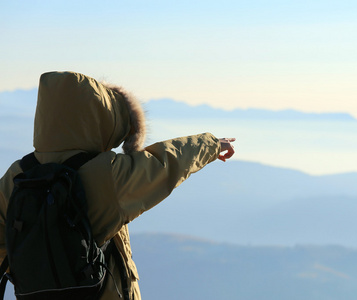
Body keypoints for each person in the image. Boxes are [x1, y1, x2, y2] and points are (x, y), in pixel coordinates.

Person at [0, 71, 235, 299]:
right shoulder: (106, 174)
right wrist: (212, 144)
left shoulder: (17, 175)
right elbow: (164, 163)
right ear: (97, 118)